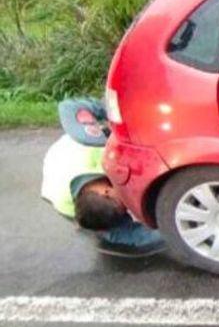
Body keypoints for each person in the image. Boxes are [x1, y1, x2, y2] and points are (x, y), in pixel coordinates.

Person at [41, 99, 165, 257]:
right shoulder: (63, 203)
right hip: (55, 185)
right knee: (116, 233)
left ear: (106, 191)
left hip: (73, 149)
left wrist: (115, 111)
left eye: (123, 205)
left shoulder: (100, 150)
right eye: (124, 207)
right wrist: (176, 232)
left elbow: (71, 105)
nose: (126, 207)